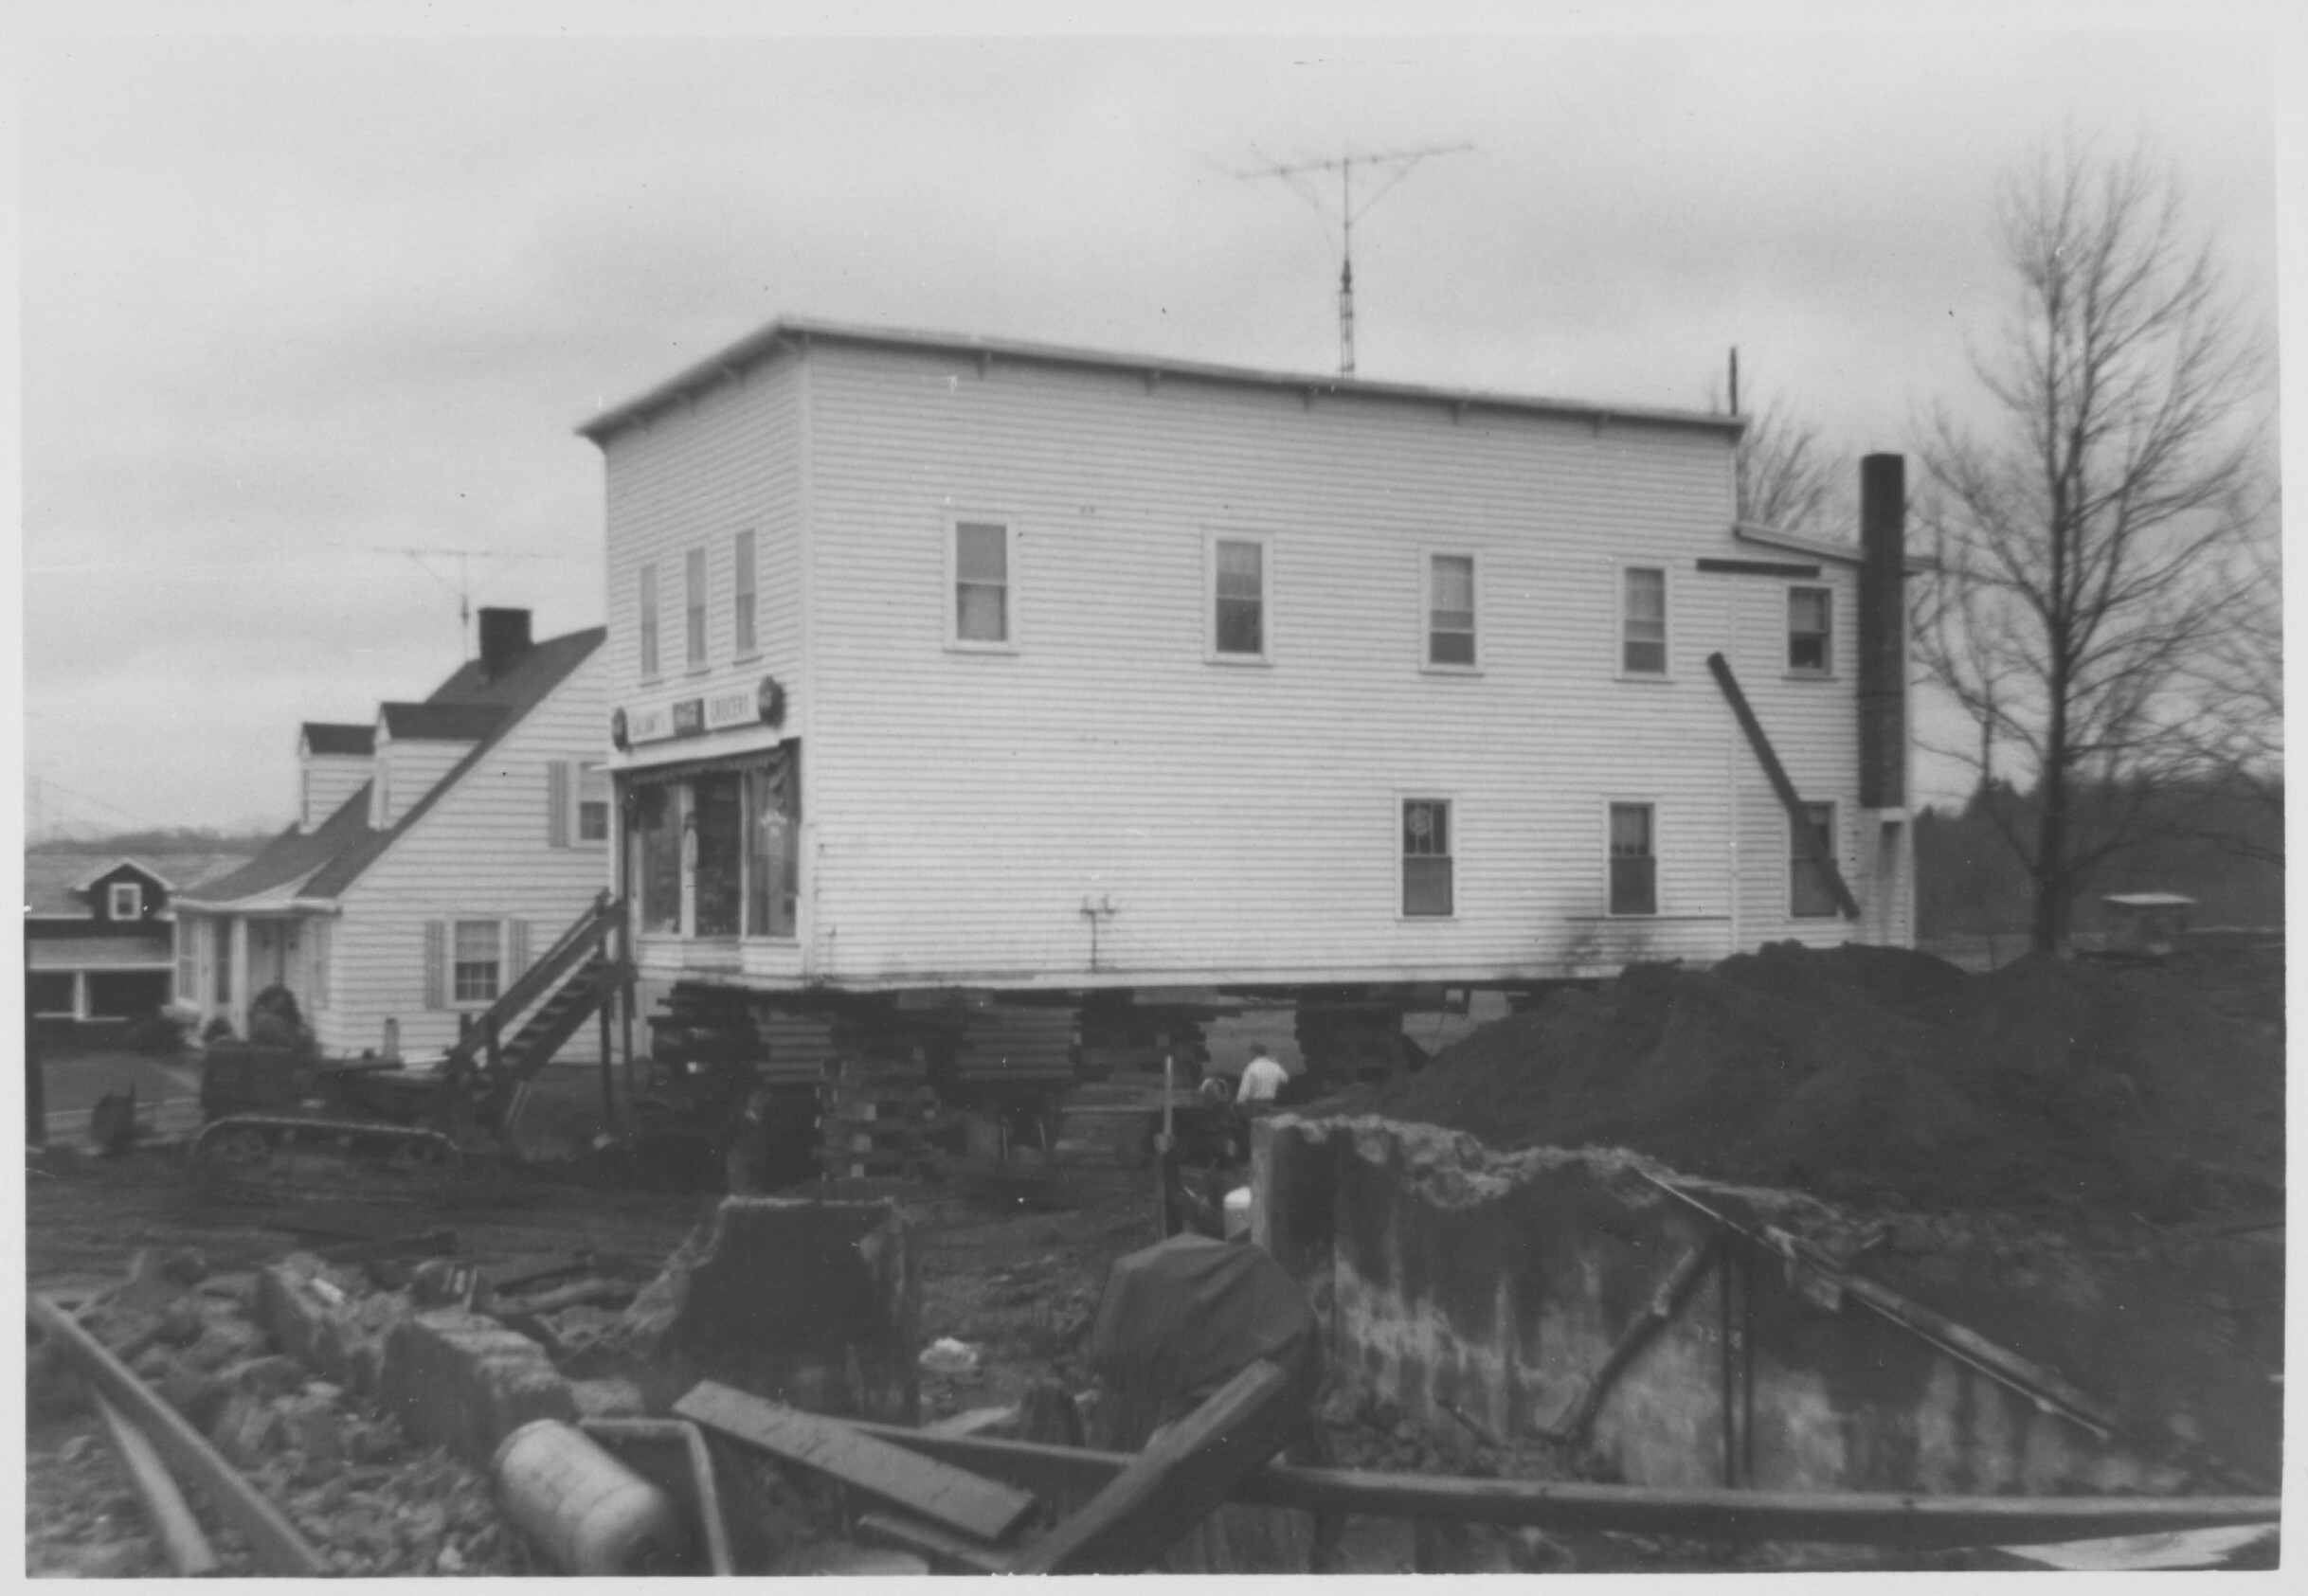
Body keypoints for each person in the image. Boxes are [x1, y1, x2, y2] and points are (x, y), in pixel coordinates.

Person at [1235, 1042, 1289, 1108]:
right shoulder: (1275, 1066)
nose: (1250, 1055)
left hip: (1254, 1105)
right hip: (1270, 1103)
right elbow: (1285, 1079)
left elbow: (1244, 1090)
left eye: (1251, 1053)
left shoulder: (1251, 1067)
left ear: (1255, 1053)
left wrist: (1239, 1103)